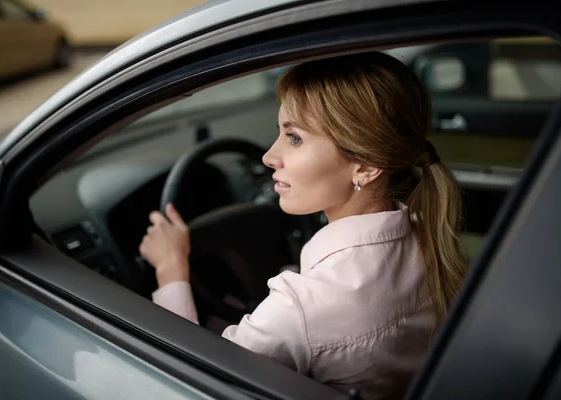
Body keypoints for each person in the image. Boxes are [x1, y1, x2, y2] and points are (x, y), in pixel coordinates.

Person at [139, 52, 467, 399]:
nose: (268, 156)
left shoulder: (300, 309)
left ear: (367, 168)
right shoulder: (425, 237)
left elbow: (189, 382)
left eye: (294, 138)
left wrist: (170, 268)